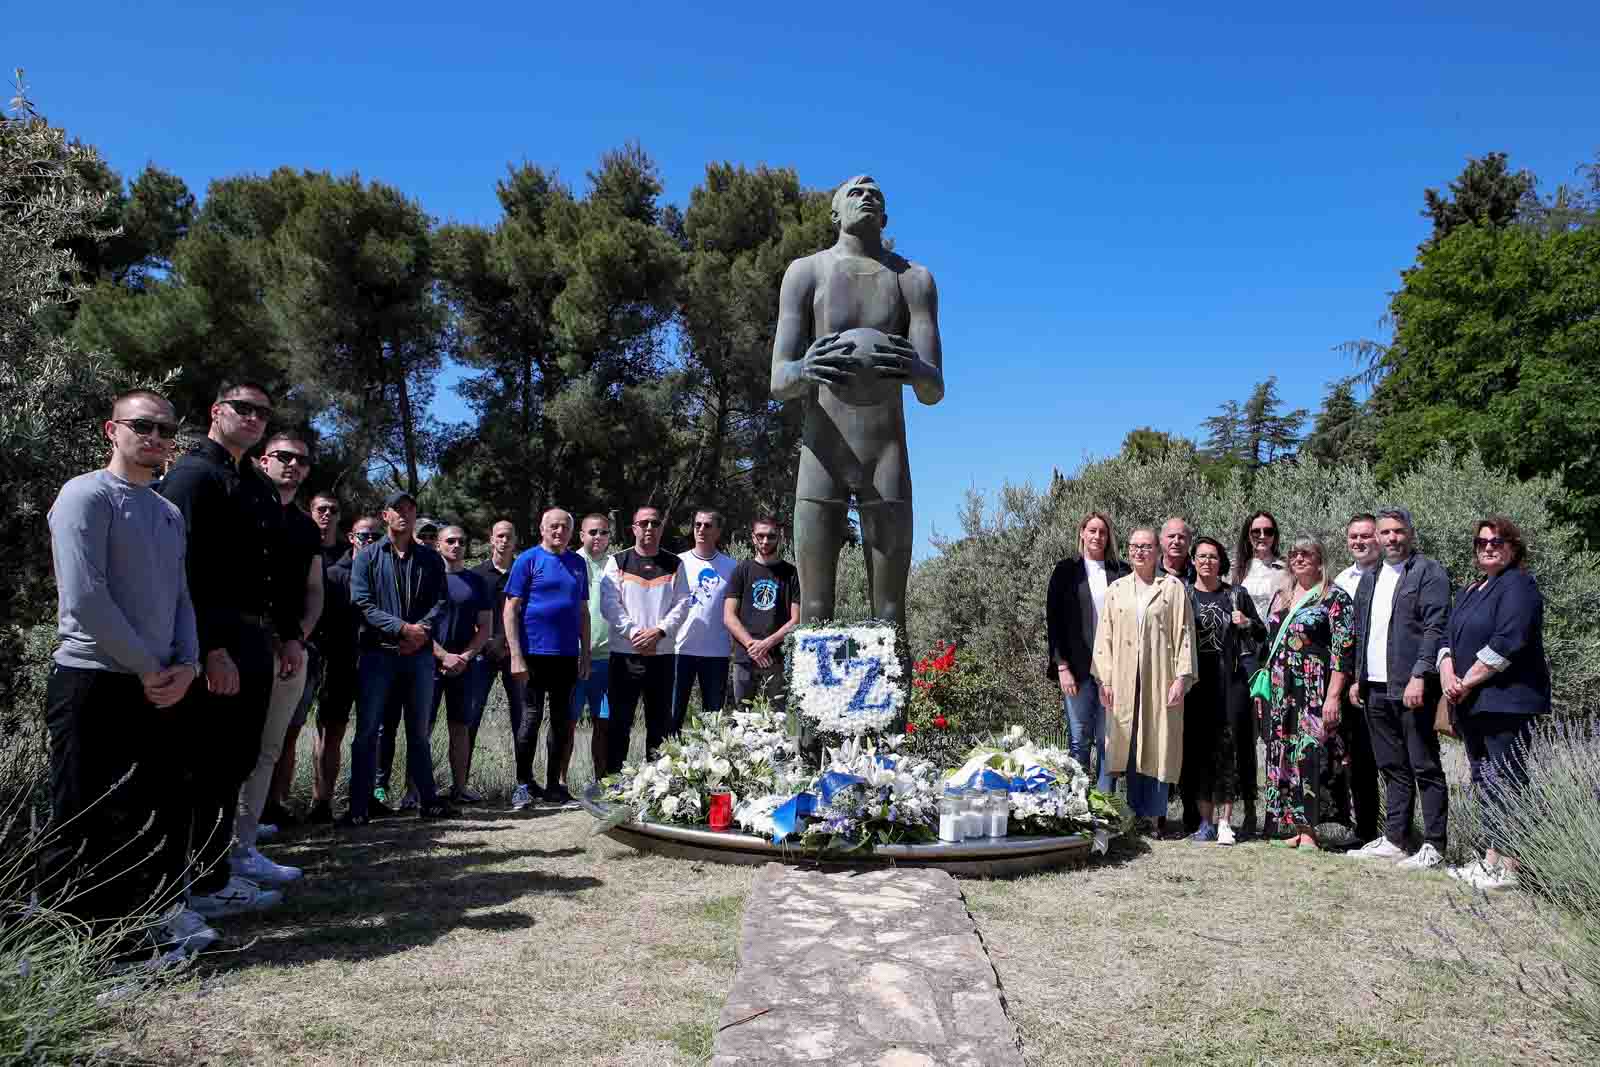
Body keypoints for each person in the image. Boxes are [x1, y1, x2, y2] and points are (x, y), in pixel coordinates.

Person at [42, 389, 212, 960]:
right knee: (83, 814)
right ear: (110, 429)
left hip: (162, 686)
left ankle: (134, 932)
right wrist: (149, 667)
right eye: (143, 425)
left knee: (146, 812)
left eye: (166, 429)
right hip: (94, 680)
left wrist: (186, 665)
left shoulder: (168, 512)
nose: (156, 438)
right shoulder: (84, 496)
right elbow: (86, 598)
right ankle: (67, 949)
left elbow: (181, 597)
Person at [770, 174, 944, 630]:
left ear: (884, 218)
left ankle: (891, 701)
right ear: (835, 213)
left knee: (890, 613)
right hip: (823, 449)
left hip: (885, 450)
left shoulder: (914, 280)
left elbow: (933, 389)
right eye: (855, 193)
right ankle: (813, 703)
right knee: (813, 611)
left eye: (876, 196)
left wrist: (916, 369)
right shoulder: (805, 272)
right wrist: (804, 369)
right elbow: (779, 378)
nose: (866, 197)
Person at [158, 381, 291, 918]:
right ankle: (188, 884)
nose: (254, 417)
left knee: (234, 761)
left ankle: (215, 875)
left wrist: (283, 636)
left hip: (256, 639)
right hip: (215, 639)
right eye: (244, 408)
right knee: (203, 764)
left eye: (262, 412)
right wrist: (208, 648)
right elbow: (183, 571)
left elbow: (268, 572)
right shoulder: (193, 477)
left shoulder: (254, 485)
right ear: (216, 412)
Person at [229, 434, 323, 885]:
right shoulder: (239, 503)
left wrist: (296, 639)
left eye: (301, 461)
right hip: (235, 648)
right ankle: (209, 856)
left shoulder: (306, 528)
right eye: (283, 457)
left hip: (289, 652)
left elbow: (313, 592)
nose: (292, 465)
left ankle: (242, 850)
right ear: (263, 460)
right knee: (229, 752)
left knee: (266, 750)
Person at [1442, 517, 1551, 891]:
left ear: (1513, 547)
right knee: (1485, 780)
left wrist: (1466, 681)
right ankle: (1490, 860)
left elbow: (1510, 639)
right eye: (1482, 541)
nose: (1488, 546)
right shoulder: (1473, 589)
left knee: (1509, 780)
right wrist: (1447, 675)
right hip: (1473, 702)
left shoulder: (1518, 586)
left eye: (1498, 541)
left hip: (1507, 702)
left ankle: (1511, 865)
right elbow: (1448, 635)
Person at [1349, 508, 1452, 870]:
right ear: (1377, 537)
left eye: (1398, 531)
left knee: (1424, 765)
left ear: (1410, 532)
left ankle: (1435, 845)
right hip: (1375, 686)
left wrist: (1421, 675)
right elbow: (1362, 632)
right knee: (1391, 766)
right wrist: (1357, 678)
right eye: (1385, 532)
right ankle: (1396, 839)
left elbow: (1435, 628)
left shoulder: (1428, 572)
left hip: (1411, 686)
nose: (1391, 538)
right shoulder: (1371, 576)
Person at [345, 491, 455, 826]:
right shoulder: (367, 557)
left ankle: (428, 800)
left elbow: (441, 601)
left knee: (419, 732)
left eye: (410, 509)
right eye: (397, 509)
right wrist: (401, 629)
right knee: (368, 731)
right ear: (385, 516)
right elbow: (362, 603)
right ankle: (359, 806)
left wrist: (420, 630)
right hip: (378, 655)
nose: (404, 515)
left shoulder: (431, 559)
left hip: (418, 657)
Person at [1092, 527, 1197, 834]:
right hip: (1123, 680)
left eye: (1147, 546)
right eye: (1135, 546)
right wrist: (1105, 681)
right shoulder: (1117, 590)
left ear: (1157, 551)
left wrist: (1181, 677)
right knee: (1126, 741)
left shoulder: (1172, 588)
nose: (1140, 551)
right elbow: (1105, 638)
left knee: (1157, 742)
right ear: (1128, 550)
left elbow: (1184, 634)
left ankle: (1154, 814)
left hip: (1159, 677)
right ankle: (1127, 813)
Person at [1260, 536, 1354, 849]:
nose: (1299, 558)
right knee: (1283, 754)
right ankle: (1292, 827)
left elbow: (1343, 652)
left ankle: (1313, 830)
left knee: (1312, 755)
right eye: (1294, 554)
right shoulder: (1281, 596)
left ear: (1319, 559)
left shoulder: (1334, 597)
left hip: (1314, 691)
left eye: (1307, 553)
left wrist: (1333, 696)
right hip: (1280, 691)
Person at [266, 491, 346, 826]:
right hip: (298, 649)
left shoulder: (349, 555)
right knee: (286, 731)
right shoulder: (293, 544)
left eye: (333, 510)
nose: (326, 514)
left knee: (331, 732)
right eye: (320, 509)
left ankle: (322, 803)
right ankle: (274, 804)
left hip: (339, 653)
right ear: (310, 512)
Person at [505, 508, 592, 808]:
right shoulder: (527, 560)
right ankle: (523, 785)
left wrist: (586, 654)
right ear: (542, 529)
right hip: (533, 654)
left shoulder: (578, 563)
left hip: (567, 655)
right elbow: (510, 609)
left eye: (565, 527)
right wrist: (516, 655)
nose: (559, 531)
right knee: (530, 718)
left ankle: (555, 786)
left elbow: (583, 612)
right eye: (553, 526)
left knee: (561, 721)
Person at [1183, 537, 1266, 845]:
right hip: (1196, 685)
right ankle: (1204, 822)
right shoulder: (1185, 594)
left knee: (1228, 750)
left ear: (1221, 561)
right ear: (1193, 561)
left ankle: (1225, 823)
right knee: (1200, 752)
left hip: (1231, 684)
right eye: (1202, 556)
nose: (1207, 561)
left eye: (1213, 556)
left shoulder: (1236, 594)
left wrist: (1245, 622)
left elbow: (1262, 633)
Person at [599, 505, 691, 775]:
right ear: (634, 528)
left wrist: (659, 631)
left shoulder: (675, 564)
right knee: (619, 723)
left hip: (662, 656)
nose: (649, 528)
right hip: (625, 655)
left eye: (655, 523)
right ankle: (614, 783)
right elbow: (609, 603)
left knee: (659, 726)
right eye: (644, 523)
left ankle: (655, 789)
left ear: (662, 527)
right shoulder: (617, 562)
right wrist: (633, 633)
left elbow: (683, 603)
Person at [1044, 512, 1129, 791]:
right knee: (1079, 740)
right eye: (1092, 530)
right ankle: (1076, 807)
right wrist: (1061, 666)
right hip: (1077, 670)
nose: (1097, 536)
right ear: (1082, 533)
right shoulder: (1066, 571)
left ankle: (1106, 810)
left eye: (1102, 532)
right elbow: (1053, 621)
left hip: (1113, 671)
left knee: (1109, 740)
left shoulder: (1121, 571)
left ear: (1108, 537)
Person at [305, 515, 381, 823]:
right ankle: (321, 801)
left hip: (376, 665)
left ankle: (364, 799)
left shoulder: (386, 574)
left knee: (370, 734)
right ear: (352, 537)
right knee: (330, 735)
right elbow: (320, 623)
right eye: (364, 536)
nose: (370, 541)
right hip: (337, 665)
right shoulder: (335, 575)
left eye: (376, 536)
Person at [427, 526, 492, 805]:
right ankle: (414, 790)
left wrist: (464, 657)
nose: (456, 545)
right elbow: (418, 625)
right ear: (438, 545)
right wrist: (442, 656)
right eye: (449, 541)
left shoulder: (477, 582)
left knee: (460, 727)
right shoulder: (427, 579)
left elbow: (485, 626)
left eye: (461, 541)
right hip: (427, 664)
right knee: (422, 728)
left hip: (464, 666)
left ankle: (460, 787)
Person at [1329, 513, 1382, 845]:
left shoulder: (1389, 576)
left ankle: (1394, 832)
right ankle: (1360, 829)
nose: (1359, 542)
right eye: (1353, 536)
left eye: (1365, 536)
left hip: (1376, 679)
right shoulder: (1341, 579)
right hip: (1344, 682)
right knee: (1355, 758)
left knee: (1385, 758)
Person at [723, 516, 802, 708]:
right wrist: (753, 647)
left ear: (780, 538)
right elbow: (729, 616)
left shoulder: (792, 574)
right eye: (760, 536)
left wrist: (766, 645)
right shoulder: (741, 571)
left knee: (777, 720)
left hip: (777, 659)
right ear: (753, 538)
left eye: (771, 536)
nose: (765, 541)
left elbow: (796, 619)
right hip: (745, 658)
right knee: (741, 719)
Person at [670, 508, 737, 733]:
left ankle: (710, 767)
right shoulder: (678, 562)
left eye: (708, 525)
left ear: (718, 531)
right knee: (672, 716)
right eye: (697, 524)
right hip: (680, 649)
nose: (701, 529)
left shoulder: (731, 567)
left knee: (713, 721)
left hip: (716, 652)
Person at [472, 520, 526, 773]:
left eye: (509, 536)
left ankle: (524, 781)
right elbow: (469, 614)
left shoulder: (524, 572)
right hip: (483, 654)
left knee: (523, 718)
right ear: (491, 539)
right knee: (471, 717)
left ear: (516, 541)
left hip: (515, 654)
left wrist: (509, 644)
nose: (504, 541)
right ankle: (461, 783)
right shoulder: (477, 574)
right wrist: (485, 641)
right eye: (500, 536)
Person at [572, 514, 614, 776]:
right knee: (567, 722)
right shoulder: (570, 562)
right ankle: (560, 784)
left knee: (604, 723)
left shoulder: (616, 564)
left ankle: (602, 782)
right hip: (573, 657)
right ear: (582, 535)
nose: (598, 537)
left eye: (604, 532)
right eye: (593, 532)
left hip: (608, 658)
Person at [1231, 510, 1285, 622]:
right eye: (1256, 532)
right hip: (1243, 636)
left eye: (1268, 531)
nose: (1262, 536)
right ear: (1248, 535)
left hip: (1273, 636)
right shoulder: (1235, 570)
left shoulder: (1286, 570)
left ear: (1274, 535)